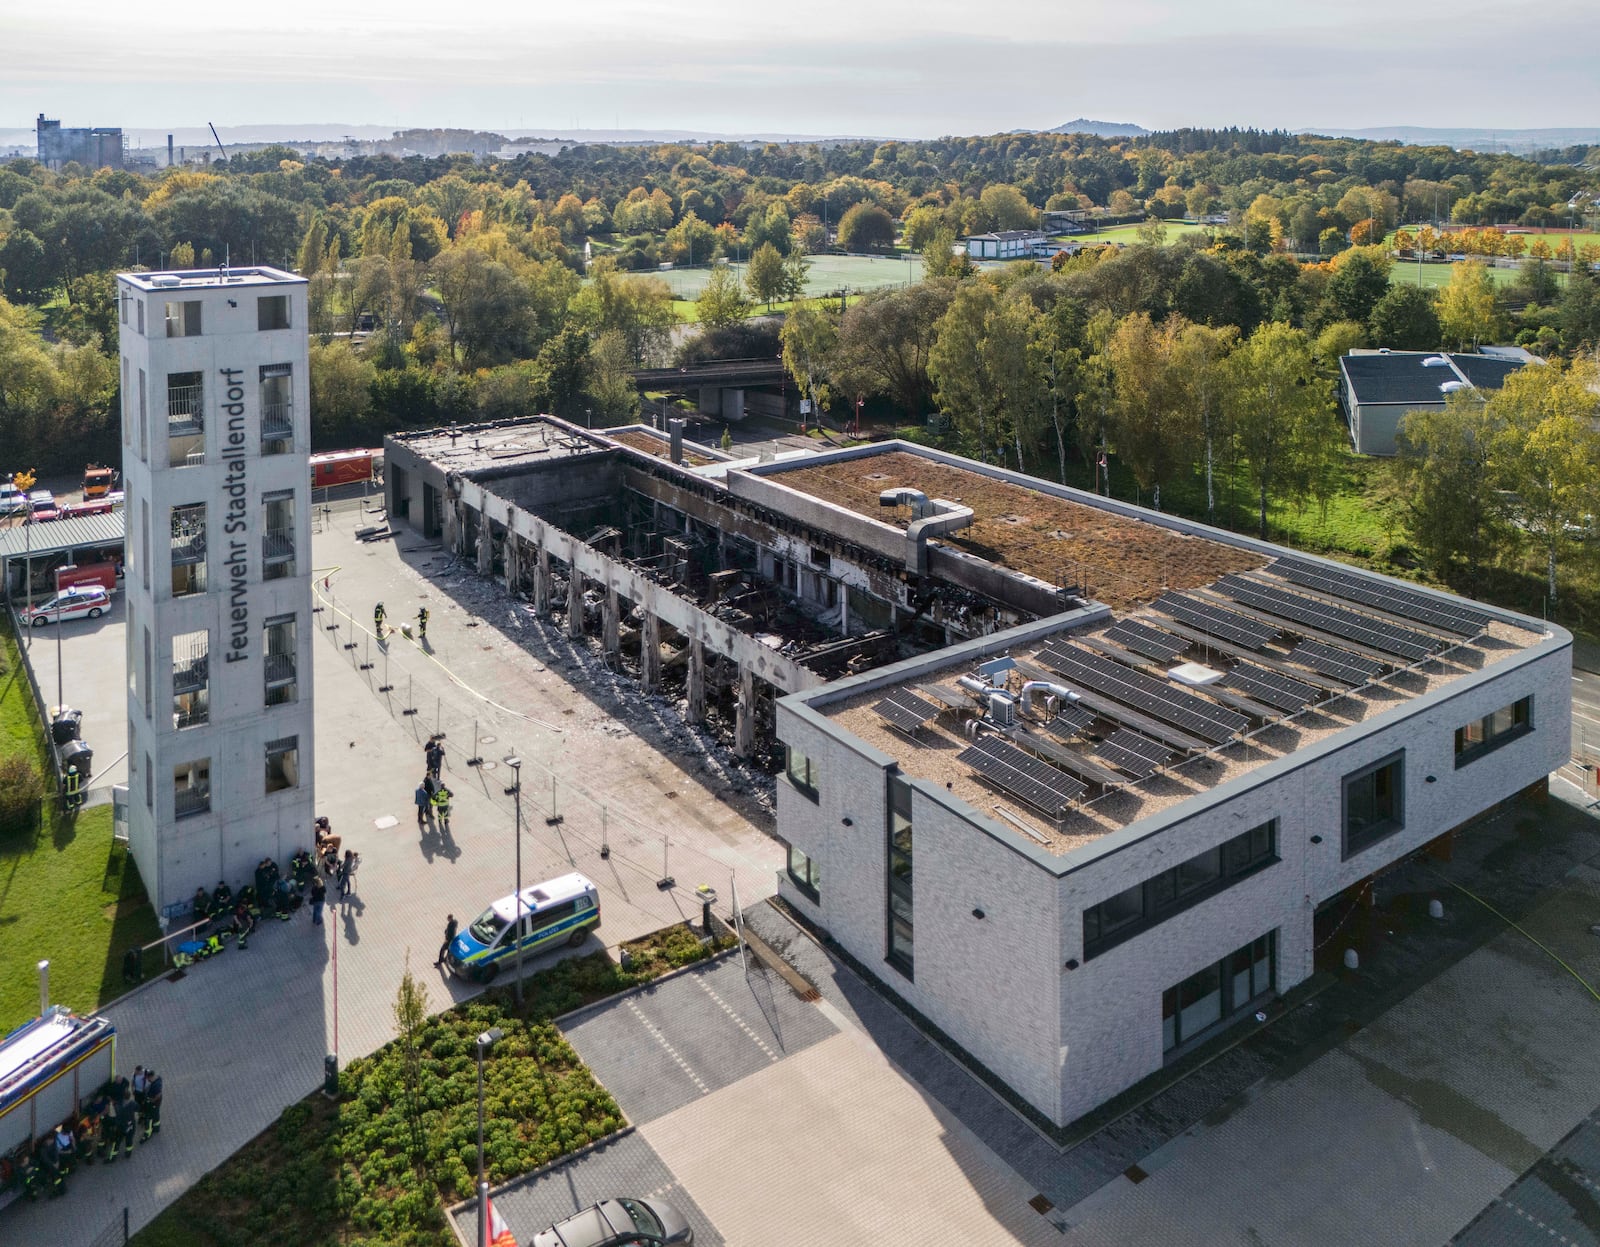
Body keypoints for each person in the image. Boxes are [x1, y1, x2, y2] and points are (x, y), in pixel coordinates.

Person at [141, 1069, 163, 1140]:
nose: (147, 1079)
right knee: (156, 1114)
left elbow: (158, 1094)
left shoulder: (156, 1085)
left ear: (150, 1077)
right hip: (155, 1103)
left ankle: (148, 1132)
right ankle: (156, 1127)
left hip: (153, 1103)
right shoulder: (158, 1078)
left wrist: (152, 1100)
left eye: (147, 1078)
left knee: (149, 1116)